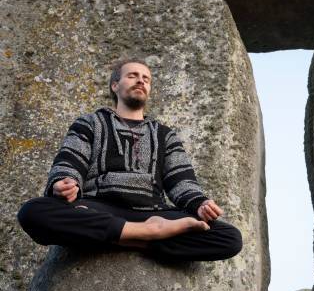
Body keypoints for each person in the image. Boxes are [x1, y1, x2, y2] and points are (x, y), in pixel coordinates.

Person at [17, 58, 242, 261]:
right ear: (115, 85)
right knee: (33, 212)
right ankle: (149, 236)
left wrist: (199, 204)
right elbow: (70, 161)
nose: (140, 81)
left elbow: (180, 179)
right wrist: (64, 183)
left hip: (153, 211)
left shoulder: (164, 134)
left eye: (146, 79)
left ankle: (117, 236)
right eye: (132, 75)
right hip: (98, 207)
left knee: (229, 238)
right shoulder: (90, 123)